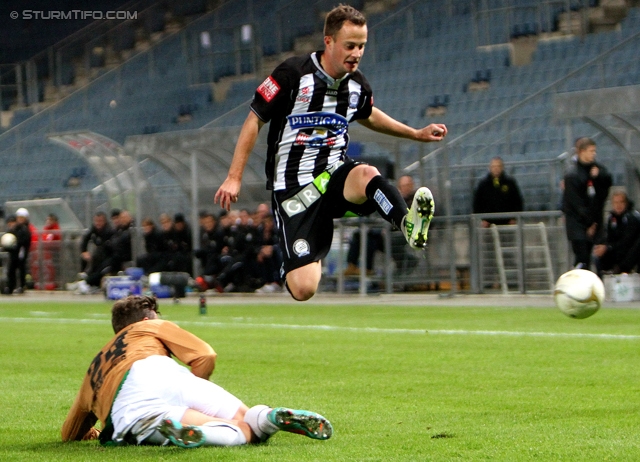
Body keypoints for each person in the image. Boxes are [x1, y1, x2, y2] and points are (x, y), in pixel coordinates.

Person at [214, 5, 447, 301]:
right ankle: (299, 255)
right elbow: (253, 120)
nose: (357, 53)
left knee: (366, 173)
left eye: (361, 46)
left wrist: (415, 133)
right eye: (350, 45)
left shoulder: (357, 85)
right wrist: (234, 177)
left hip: (334, 174)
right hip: (294, 191)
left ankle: (407, 224)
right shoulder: (292, 74)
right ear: (329, 41)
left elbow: (369, 114)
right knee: (304, 289)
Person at [61, 295, 332, 447]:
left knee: (239, 433)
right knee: (246, 420)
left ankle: (204, 432)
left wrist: (92, 432)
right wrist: (190, 388)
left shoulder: (94, 369)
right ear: (146, 319)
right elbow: (205, 354)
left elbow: (70, 431)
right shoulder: (150, 327)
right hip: (169, 373)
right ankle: (269, 416)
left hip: (132, 399)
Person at [344, 175, 417, 276]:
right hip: (388, 232)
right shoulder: (396, 199)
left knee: (370, 237)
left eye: (407, 185)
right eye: (402, 185)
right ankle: (352, 265)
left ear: (412, 186)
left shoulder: (414, 201)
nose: (405, 188)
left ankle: (367, 268)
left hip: (399, 235)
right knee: (360, 235)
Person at [562, 137, 612, 269]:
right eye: (591, 151)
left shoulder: (596, 168)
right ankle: (578, 285)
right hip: (578, 223)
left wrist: (600, 175)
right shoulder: (572, 174)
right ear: (582, 152)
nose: (593, 154)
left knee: (599, 257)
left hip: (594, 221)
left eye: (594, 151)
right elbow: (576, 203)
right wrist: (589, 223)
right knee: (582, 257)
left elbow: (608, 181)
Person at [593, 190, 640, 276]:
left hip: (630, 252)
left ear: (626, 203)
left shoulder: (632, 218)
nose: (618, 205)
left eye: (621, 202)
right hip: (617, 250)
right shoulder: (611, 218)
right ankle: (603, 282)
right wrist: (603, 247)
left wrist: (609, 247)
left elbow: (627, 242)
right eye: (615, 202)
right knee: (598, 255)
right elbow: (609, 238)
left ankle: (621, 269)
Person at [472, 157, 524, 227]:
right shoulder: (483, 184)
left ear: (502, 167)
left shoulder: (510, 183)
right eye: (493, 166)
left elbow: (518, 201)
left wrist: (514, 218)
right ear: (490, 168)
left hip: (507, 222)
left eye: (498, 166)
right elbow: (477, 203)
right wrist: (482, 219)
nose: (496, 169)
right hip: (488, 223)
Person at [79, 211, 114, 289]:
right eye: (96, 221)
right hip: (99, 255)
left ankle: (88, 282)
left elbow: (109, 248)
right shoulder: (94, 229)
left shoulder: (109, 231)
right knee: (90, 259)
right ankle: (85, 277)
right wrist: (84, 251)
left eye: (100, 221)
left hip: (109, 256)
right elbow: (85, 239)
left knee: (101, 268)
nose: (98, 223)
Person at [2, 213, 31, 295]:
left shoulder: (22, 230)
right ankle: (10, 287)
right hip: (13, 254)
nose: (10, 224)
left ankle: (22, 286)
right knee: (11, 270)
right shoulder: (10, 231)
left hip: (20, 253)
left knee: (21, 269)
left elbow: (24, 241)